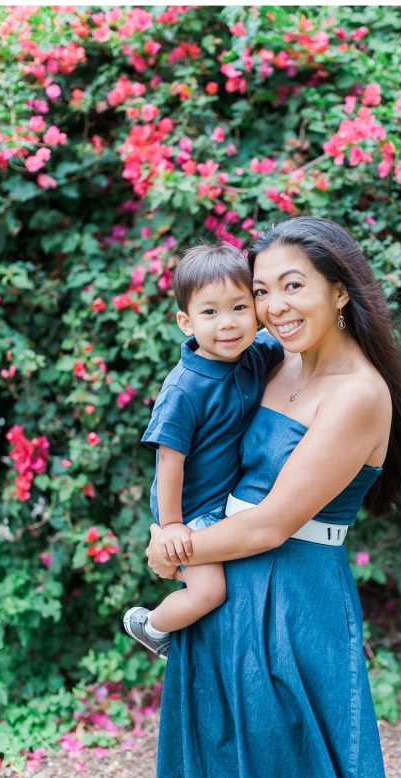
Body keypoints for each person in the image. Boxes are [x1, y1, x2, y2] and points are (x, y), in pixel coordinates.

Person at [146, 217, 401, 778]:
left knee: (285, 760)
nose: (275, 306)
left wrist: (174, 551)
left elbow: (271, 526)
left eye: (293, 285)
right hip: (222, 588)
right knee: (218, 756)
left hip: (291, 602)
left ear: (340, 289)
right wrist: (170, 525)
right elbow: (190, 425)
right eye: (262, 291)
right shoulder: (270, 356)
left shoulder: (358, 393)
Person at [124, 243, 283, 658]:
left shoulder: (254, 355)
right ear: (185, 321)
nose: (227, 324)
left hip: (227, 502)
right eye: (210, 313)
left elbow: (286, 341)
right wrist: (172, 525)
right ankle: (151, 625)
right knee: (209, 592)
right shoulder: (184, 388)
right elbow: (169, 459)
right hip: (191, 509)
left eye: (239, 308)